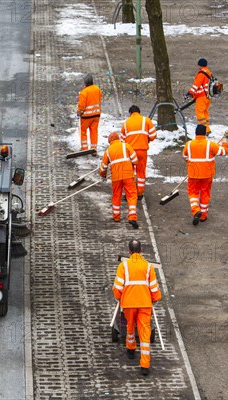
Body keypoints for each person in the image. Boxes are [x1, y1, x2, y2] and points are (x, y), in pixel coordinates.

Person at [112, 239, 161, 376]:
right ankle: (145, 365)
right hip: (144, 304)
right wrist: (156, 298)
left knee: (129, 325)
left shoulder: (124, 266)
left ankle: (131, 348)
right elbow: (153, 287)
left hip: (128, 303)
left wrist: (118, 297)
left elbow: (118, 287)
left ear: (129, 251)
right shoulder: (148, 266)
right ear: (141, 251)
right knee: (145, 331)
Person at [183, 124, 228, 225]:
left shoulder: (189, 144)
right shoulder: (211, 145)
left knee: (193, 193)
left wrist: (192, 164)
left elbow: (185, 156)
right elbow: (224, 152)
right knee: (205, 193)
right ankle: (203, 215)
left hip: (193, 174)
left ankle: (196, 210)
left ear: (195, 133)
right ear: (205, 133)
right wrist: (225, 141)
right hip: (207, 175)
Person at [99, 132, 139, 229]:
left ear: (110, 141)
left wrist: (103, 175)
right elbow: (135, 160)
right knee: (131, 195)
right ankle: (132, 216)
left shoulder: (108, 151)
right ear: (118, 138)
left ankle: (116, 216)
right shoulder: (126, 146)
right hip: (128, 175)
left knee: (116, 195)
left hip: (116, 177)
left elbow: (103, 167)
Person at [120, 105, 157, 200]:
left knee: (129, 173)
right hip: (142, 151)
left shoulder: (126, 123)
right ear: (139, 112)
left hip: (130, 153)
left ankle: (129, 193)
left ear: (130, 113)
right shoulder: (146, 120)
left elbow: (122, 139)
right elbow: (153, 136)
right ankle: (140, 193)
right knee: (141, 173)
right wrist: (146, 138)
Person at [185, 58, 213, 134]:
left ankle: (204, 130)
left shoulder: (201, 74)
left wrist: (189, 93)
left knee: (200, 114)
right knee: (205, 113)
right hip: (208, 96)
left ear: (199, 65)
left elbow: (196, 85)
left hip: (201, 97)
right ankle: (207, 128)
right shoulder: (209, 72)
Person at [76, 74, 102, 151]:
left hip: (86, 117)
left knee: (83, 132)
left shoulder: (84, 92)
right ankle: (93, 149)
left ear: (85, 83)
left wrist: (79, 112)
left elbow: (82, 106)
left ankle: (84, 148)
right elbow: (100, 98)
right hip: (96, 115)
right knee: (94, 131)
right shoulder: (97, 89)